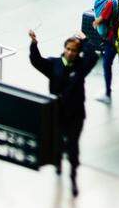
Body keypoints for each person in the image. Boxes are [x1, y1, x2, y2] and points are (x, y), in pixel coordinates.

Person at [27, 30, 100, 197]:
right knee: (58, 142)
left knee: (73, 146)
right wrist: (34, 44)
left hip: (75, 114)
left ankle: (73, 176)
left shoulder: (81, 66)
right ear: (64, 48)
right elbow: (37, 61)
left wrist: (86, 40)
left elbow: (93, 57)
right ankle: (58, 162)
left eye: (74, 50)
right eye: (68, 49)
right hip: (58, 114)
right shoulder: (54, 64)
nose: (70, 52)